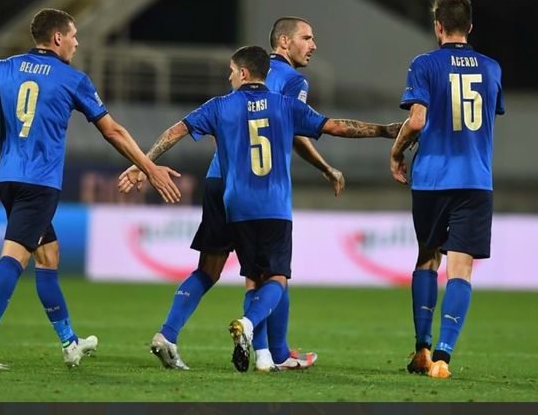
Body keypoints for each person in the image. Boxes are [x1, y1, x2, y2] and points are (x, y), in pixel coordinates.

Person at [123, 45, 399, 372]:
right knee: (275, 278)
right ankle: (252, 329)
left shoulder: (220, 106)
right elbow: (336, 126)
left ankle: (174, 336)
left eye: (230, 71)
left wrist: (144, 164)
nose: (228, 76)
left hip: (231, 200)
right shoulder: (285, 105)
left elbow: (175, 132)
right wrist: (382, 131)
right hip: (272, 204)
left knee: (213, 271)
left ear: (242, 73)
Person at [0, 8, 181, 370]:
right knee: (15, 258)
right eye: (73, 35)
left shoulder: (1, 67)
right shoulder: (73, 79)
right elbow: (113, 131)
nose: (77, 42)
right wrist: (149, 168)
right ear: (57, 38)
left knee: (49, 255)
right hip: (39, 185)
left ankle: (70, 342)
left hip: (8, 178)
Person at [390, 0, 503, 379]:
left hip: (432, 179)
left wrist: (397, 150)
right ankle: (444, 356)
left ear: (438, 27)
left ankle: (421, 346)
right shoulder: (492, 68)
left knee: (427, 258)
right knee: (461, 268)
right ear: (469, 26)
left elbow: (417, 120)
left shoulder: (424, 64)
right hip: (474, 178)